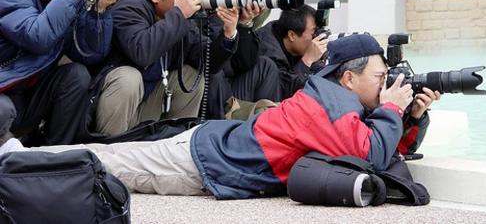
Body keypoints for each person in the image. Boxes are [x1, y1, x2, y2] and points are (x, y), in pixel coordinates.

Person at [5, 33, 439, 199]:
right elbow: (368, 153)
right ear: (348, 78)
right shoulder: (327, 104)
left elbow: (373, 148)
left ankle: (16, 155)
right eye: (381, 77)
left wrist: (411, 116)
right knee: (100, 164)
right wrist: (391, 109)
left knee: (107, 160)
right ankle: (14, 159)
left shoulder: (341, 103)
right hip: (199, 161)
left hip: (213, 150)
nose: (387, 86)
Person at [92, 0, 240, 136]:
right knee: (129, 78)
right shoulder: (128, 6)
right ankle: (110, 149)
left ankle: (175, 142)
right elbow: (142, 52)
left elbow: (208, 61)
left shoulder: (173, 15)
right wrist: (179, 14)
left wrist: (228, 33)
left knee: (192, 75)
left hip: (146, 105)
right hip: (117, 107)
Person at [0, 0, 118, 145]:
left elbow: (89, 54)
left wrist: (100, 11)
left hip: (26, 96)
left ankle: (57, 154)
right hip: (4, 92)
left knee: (76, 75)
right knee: (3, 109)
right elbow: (37, 37)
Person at [202, 0, 281, 119]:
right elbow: (217, 64)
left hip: (231, 90)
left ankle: (267, 122)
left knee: (266, 66)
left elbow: (245, 64)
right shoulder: (202, 21)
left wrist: (244, 23)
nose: (237, 1)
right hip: (214, 98)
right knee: (215, 73)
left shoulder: (233, 18)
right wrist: (222, 23)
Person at [256, 4, 329, 98]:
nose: (315, 38)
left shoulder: (287, 39)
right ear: (291, 35)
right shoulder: (268, 52)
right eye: (313, 33)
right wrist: (307, 60)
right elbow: (285, 93)